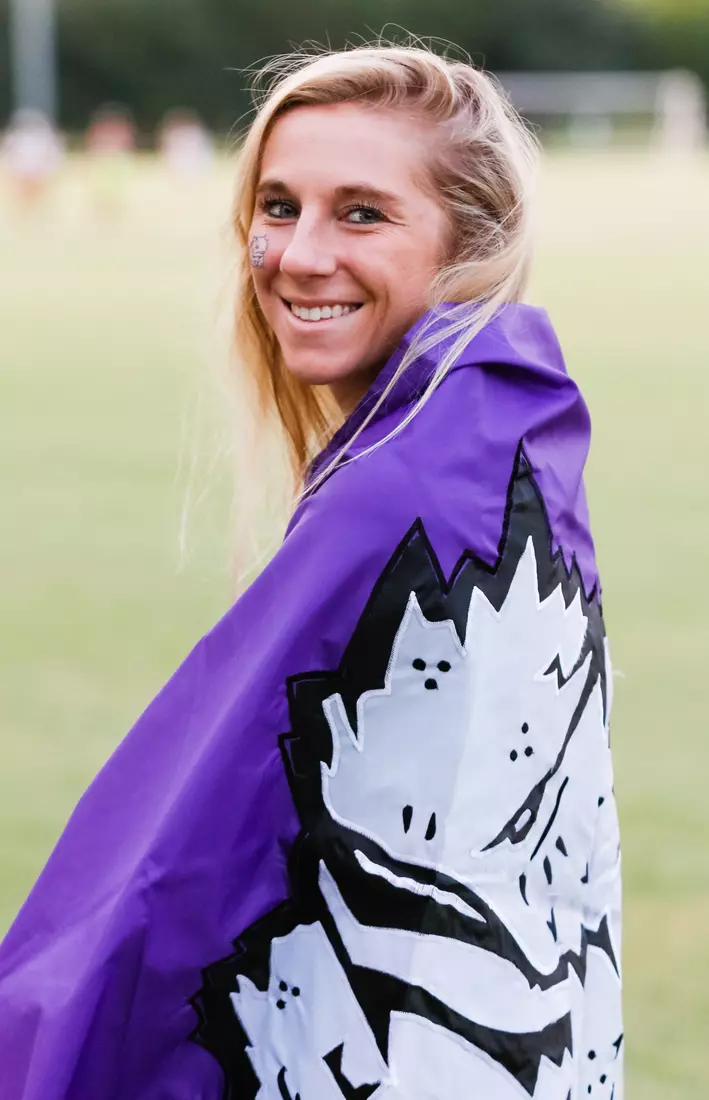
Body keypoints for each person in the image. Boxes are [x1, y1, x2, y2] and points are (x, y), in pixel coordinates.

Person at [0, 44, 623, 1100]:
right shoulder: (502, 435)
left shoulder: (411, 493)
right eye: (278, 206)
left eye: (362, 214)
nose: (296, 253)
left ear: (466, 241)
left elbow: (178, 866)